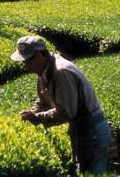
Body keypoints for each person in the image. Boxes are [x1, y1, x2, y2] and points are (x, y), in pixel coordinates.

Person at [12, 35, 110, 174]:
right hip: (81, 128)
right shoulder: (45, 70)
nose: (25, 65)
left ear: (40, 55)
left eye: (28, 59)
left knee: (91, 173)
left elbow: (65, 112)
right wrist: (32, 112)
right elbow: (42, 100)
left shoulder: (61, 72)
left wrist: (37, 117)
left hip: (91, 129)